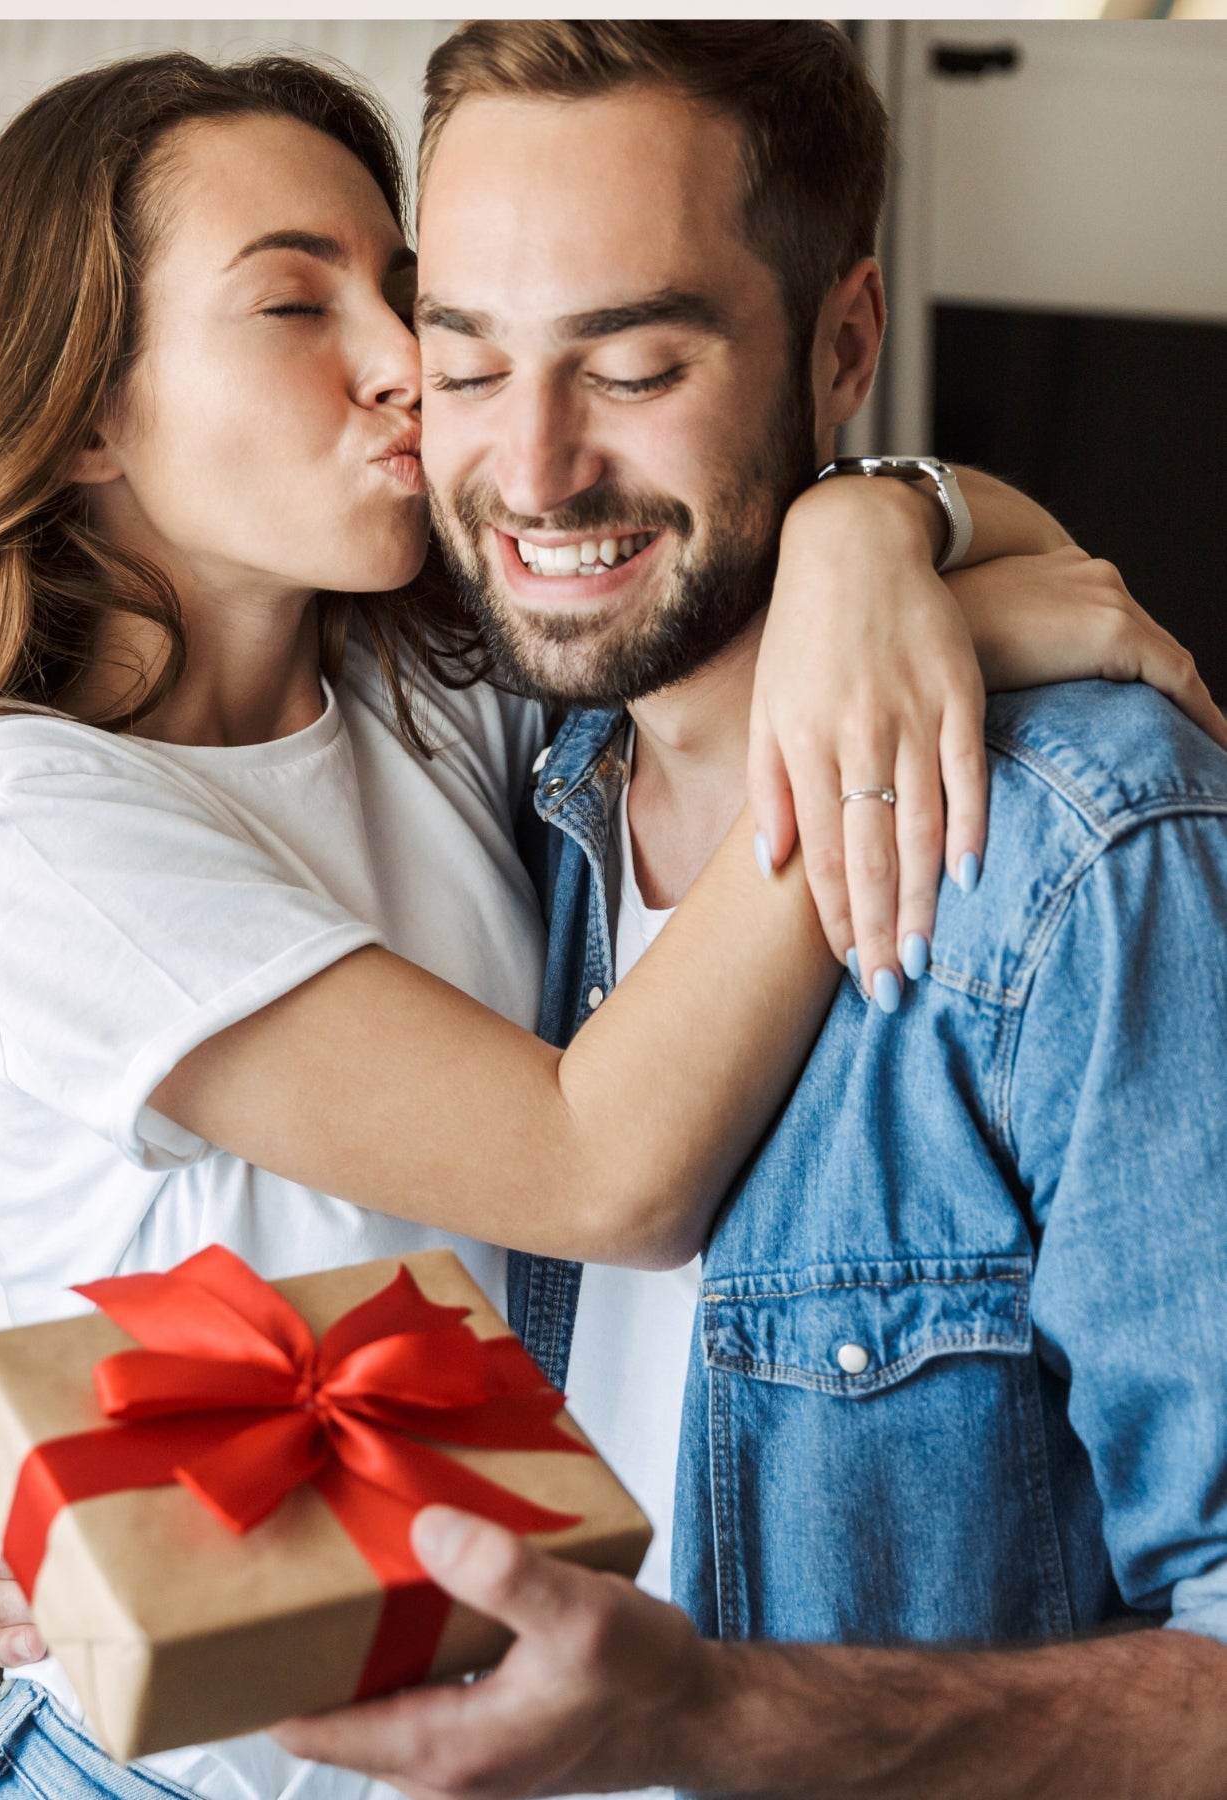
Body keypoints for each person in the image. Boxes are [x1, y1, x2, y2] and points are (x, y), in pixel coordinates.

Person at [0, 36, 1210, 1800]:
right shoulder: (32, 816)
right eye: (302, 311)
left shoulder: (446, 690)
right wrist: (860, 707)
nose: (416, 378)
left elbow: (689, 567)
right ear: (86, 408)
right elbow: (596, 1176)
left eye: (411, 308)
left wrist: (880, 532)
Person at [260, 21, 1227, 1800]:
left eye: (631, 367)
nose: (536, 474)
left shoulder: (1083, 860)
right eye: (468, 367)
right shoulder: (487, 790)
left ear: (845, 341)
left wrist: (726, 1725)